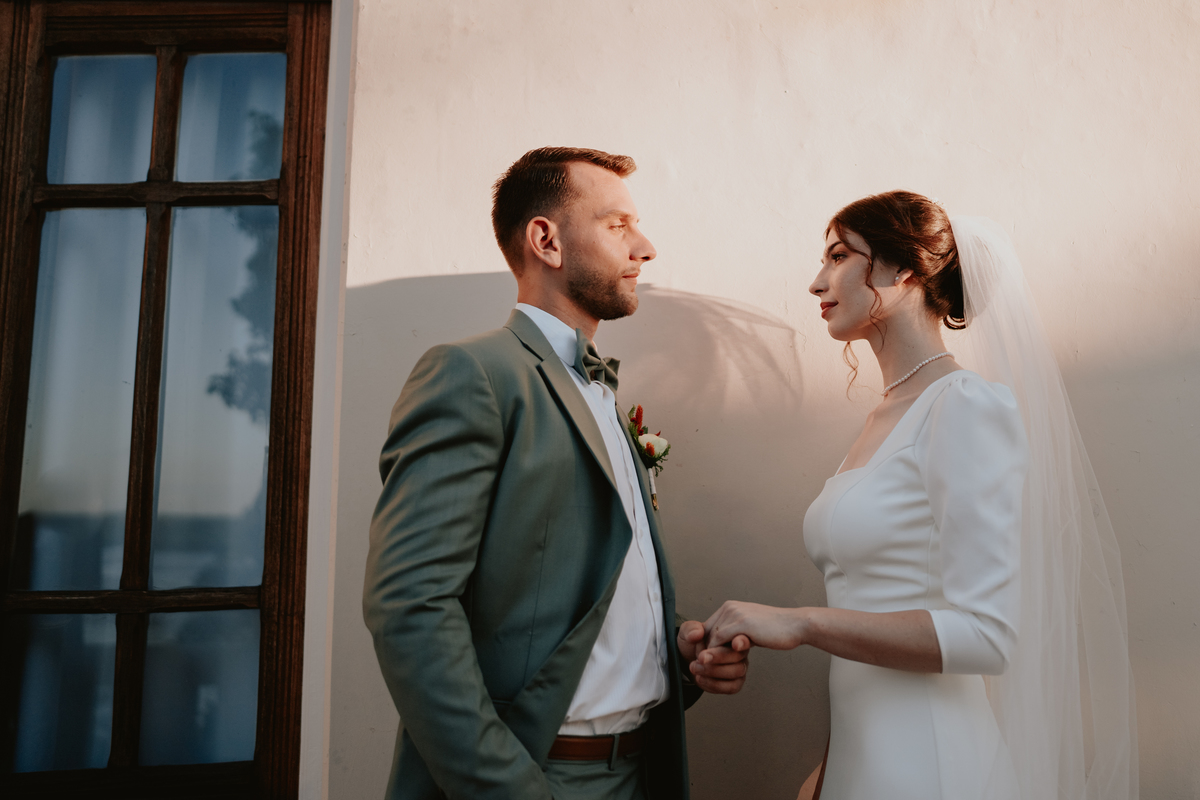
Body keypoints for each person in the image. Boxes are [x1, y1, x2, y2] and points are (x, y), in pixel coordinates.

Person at [699, 191, 1138, 799]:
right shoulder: (887, 414)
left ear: (904, 270)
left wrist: (800, 623)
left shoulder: (962, 407)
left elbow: (986, 634)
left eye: (838, 256)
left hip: (932, 768)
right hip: (863, 765)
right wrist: (831, 768)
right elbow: (870, 606)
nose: (816, 281)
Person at [363, 146, 750, 800]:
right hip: (535, 778)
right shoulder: (473, 374)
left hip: (641, 772)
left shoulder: (605, 397)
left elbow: (574, 589)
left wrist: (673, 653)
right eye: (618, 224)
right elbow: (409, 604)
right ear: (545, 239)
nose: (645, 247)